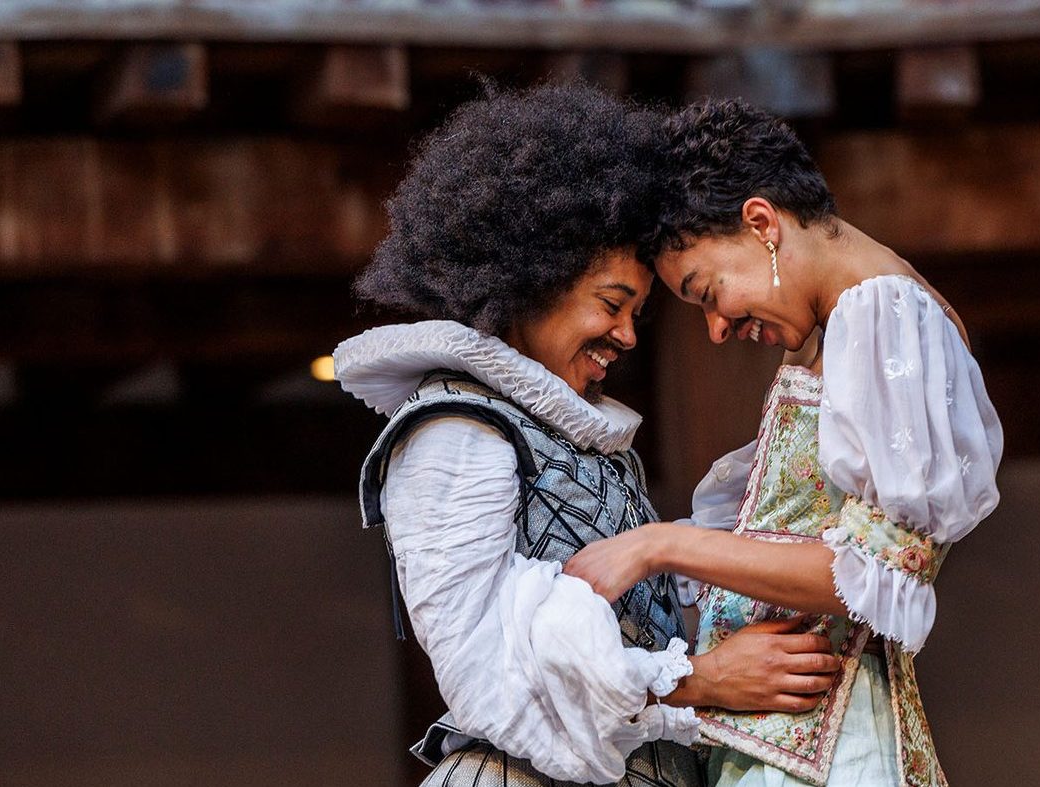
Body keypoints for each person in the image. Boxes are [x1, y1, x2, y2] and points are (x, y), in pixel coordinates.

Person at [333, 84, 841, 787]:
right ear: (531, 280)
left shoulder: (575, 437)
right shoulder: (455, 432)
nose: (628, 335)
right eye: (612, 303)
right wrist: (702, 679)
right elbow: (487, 675)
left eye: (638, 311)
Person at [564, 98, 1003, 787]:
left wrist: (658, 546)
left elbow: (881, 567)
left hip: (828, 752)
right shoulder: (848, 323)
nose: (717, 326)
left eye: (708, 292)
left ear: (762, 224)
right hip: (783, 745)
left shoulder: (882, 311)